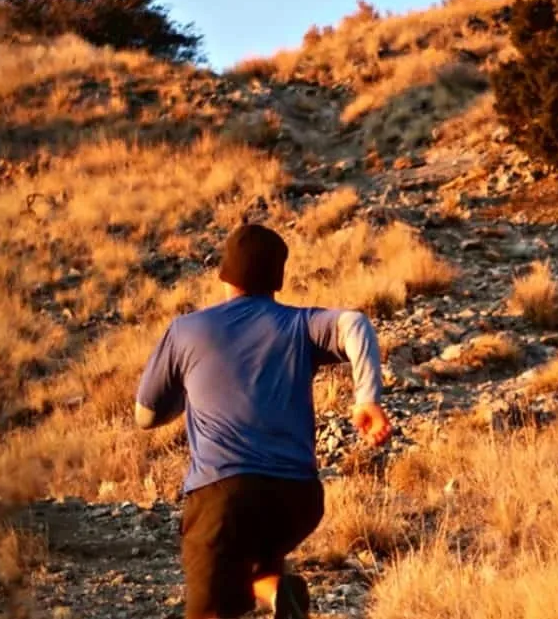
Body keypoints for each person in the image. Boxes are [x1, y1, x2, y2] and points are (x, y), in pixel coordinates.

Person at [134, 223, 392, 619]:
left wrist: (190, 392)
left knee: (209, 605)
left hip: (224, 493)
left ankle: (271, 595)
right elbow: (355, 323)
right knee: (252, 562)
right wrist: (366, 399)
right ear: (277, 278)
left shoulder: (187, 330)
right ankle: (279, 596)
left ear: (224, 275)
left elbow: (146, 415)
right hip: (298, 499)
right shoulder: (298, 324)